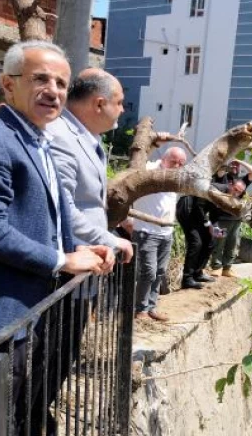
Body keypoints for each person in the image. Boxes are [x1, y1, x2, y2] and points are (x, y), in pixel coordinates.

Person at [0, 40, 113, 436]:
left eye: (61, 82)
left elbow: (54, 220)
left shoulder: (36, 141)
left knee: (17, 419)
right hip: (2, 318)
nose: (53, 90)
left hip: (31, 314)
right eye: (40, 78)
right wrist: (62, 260)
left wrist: (82, 249)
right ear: (9, 85)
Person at [47, 68, 134, 262]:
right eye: (119, 102)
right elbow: (62, 206)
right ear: (99, 104)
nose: (122, 110)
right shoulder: (61, 137)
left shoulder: (89, 137)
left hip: (89, 258)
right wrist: (108, 239)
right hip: (71, 259)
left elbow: (88, 198)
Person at [131, 147, 187, 322]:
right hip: (146, 231)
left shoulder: (175, 179)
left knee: (160, 271)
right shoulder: (148, 171)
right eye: (174, 161)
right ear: (164, 158)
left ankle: (152, 307)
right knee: (148, 271)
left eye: (180, 163)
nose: (176, 166)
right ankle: (140, 309)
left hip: (166, 233)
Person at [209, 159, 252, 277]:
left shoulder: (242, 181)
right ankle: (216, 267)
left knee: (232, 244)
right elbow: (219, 169)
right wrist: (228, 163)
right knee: (219, 243)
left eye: (237, 167)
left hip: (235, 219)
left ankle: (227, 268)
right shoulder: (221, 178)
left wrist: (239, 161)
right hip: (220, 219)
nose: (235, 168)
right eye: (232, 166)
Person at [177, 193, 220, 290]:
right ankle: (187, 279)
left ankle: (198, 273)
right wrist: (208, 224)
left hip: (198, 213)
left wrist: (215, 227)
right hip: (187, 208)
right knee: (196, 243)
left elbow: (215, 214)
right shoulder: (220, 189)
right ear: (230, 185)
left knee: (210, 240)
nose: (236, 193)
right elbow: (199, 205)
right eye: (235, 190)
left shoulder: (227, 200)